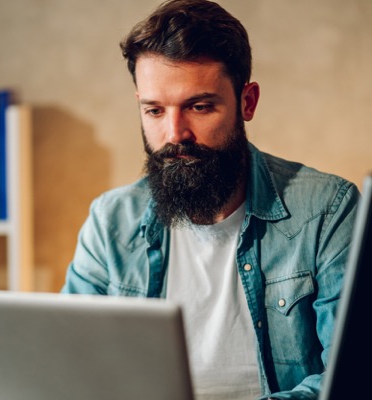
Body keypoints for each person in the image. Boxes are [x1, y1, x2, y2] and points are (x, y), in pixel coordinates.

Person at [61, 1, 360, 399]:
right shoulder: (109, 221)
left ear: (247, 102)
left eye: (199, 107)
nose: (175, 133)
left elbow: (348, 378)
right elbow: (69, 367)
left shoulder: (328, 209)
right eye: (154, 110)